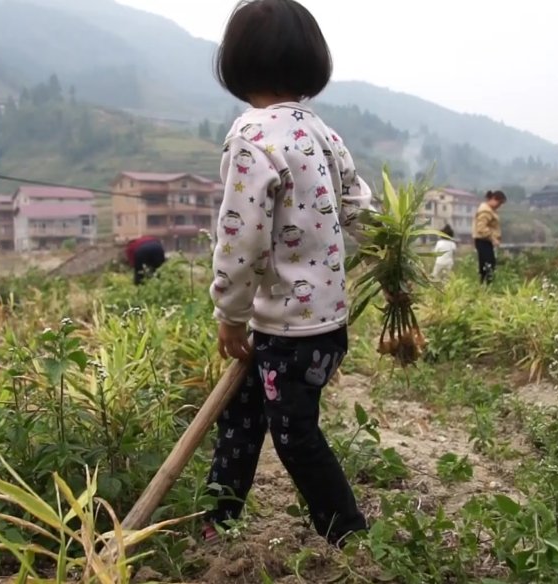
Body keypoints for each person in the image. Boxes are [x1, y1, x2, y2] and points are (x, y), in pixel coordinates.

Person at [204, 0, 375, 549]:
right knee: (242, 415)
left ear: (236, 64)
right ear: (312, 63)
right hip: (325, 324)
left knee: (294, 434)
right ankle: (216, 520)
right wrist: (389, 250)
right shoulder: (322, 132)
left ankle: (350, 536)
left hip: (284, 333)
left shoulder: (251, 137)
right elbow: (360, 208)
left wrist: (229, 315)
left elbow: (241, 237)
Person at [472, 190, 506, 284]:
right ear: (494, 199)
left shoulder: (489, 210)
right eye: (499, 203)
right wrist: (493, 238)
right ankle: (487, 286)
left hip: (485, 241)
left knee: (485, 265)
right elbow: (481, 228)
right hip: (484, 240)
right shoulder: (486, 211)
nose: (499, 206)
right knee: (489, 265)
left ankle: (484, 286)